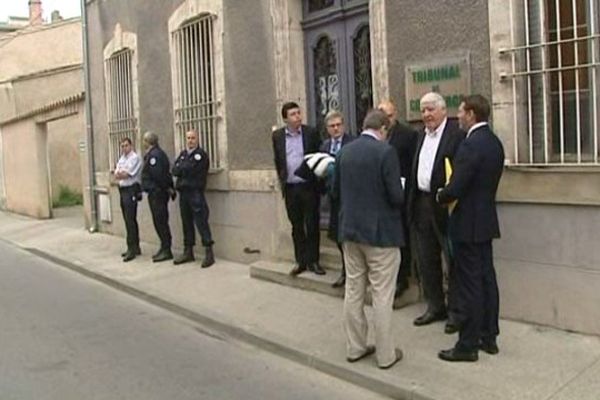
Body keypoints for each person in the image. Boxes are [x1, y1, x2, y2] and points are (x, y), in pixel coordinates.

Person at [333, 110, 404, 369]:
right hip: (381, 235)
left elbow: (335, 191)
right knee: (382, 295)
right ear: (383, 129)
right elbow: (396, 196)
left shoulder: (344, 152)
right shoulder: (385, 152)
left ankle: (355, 347)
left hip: (350, 232)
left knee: (353, 290)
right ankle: (386, 356)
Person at [436, 95, 504, 362]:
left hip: (467, 224)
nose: (459, 116)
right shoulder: (494, 143)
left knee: (469, 285)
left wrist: (441, 194)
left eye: (462, 112)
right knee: (487, 279)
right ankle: (489, 337)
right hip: (486, 221)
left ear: (472, 114)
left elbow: (457, 187)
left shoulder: (470, 145)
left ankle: (467, 345)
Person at [408, 92, 465, 332]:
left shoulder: (457, 136)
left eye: (431, 109)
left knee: (452, 260)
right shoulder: (420, 136)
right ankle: (435, 306)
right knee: (425, 258)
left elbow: (461, 172)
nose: (427, 114)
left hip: (445, 205)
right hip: (421, 203)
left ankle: (456, 312)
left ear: (443, 110)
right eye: (423, 110)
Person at [272, 102, 324, 276]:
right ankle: (301, 261)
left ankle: (314, 261)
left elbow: (318, 155)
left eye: (299, 113)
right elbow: (278, 159)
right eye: (293, 114)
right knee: (296, 226)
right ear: (285, 118)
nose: (298, 117)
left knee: (312, 224)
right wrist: (282, 179)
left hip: (308, 186)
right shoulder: (278, 136)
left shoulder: (311, 133)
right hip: (291, 187)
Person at [378, 99, 417, 298]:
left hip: (401, 196)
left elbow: (413, 166)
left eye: (390, 115)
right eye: (384, 116)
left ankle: (403, 279)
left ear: (396, 114)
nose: (387, 120)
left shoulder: (408, 135)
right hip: (380, 198)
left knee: (402, 240)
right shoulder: (375, 135)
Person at [319, 110, 353, 288]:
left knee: (350, 237)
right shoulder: (325, 146)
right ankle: (345, 271)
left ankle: (351, 273)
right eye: (332, 126)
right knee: (338, 236)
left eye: (339, 125)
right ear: (327, 129)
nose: (336, 128)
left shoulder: (352, 143)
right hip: (333, 198)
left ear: (344, 126)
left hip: (350, 197)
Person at [172, 129, 215, 268]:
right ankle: (188, 251)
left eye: (193, 138)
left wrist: (183, 168)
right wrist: (183, 168)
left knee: (201, 222)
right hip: (183, 193)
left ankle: (209, 252)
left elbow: (190, 169)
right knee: (186, 222)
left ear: (197, 139)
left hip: (195, 192)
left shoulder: (200, 155)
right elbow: (174, 169)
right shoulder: (184, 154)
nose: (190, 140)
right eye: (188, 138)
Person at [141, 131, 174, 263]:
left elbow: (159, 176)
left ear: (148, 142)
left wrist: (165, 188)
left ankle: (167, 249)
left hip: (158, 194)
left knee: (161, 221)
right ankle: (164, 247)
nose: (143, 143)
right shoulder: (153, 154)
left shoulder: (155, 155)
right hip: (156, 193)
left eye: (144, 140)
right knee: (158, 221)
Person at [113, 137, 142, 262]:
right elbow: (116, 173)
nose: (124, 148)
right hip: (123, 190)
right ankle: (133, 246)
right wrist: (120, 174)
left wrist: (121, 174)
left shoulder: (134, 158)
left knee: (130, 219)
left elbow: (127, 174)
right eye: (122, 146)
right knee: (126, 218)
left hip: (131, 190)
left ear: (131, 146)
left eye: (126, 145)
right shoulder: (122, 159)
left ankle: (132, 248)